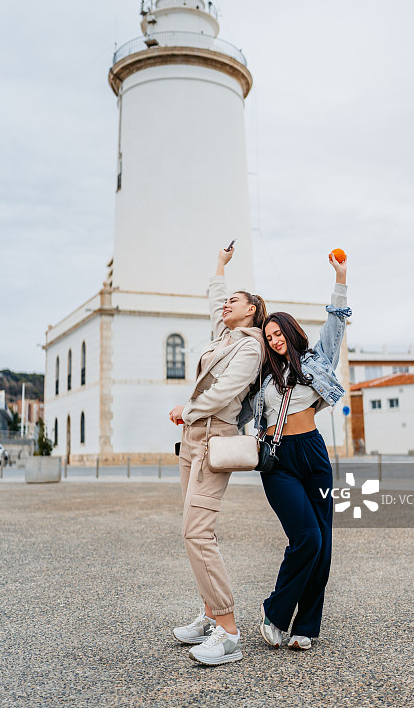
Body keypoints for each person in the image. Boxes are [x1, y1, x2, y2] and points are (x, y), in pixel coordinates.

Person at [169, 246, 266, 666]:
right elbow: (215, 301)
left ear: (252, 311)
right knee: (190, 528)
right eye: (226, 302)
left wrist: (187, 409)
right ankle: (210, 617)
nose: (225, 306)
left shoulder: (251, 346)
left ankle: (228, 631)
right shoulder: (224, 336)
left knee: (196, 530)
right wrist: (220, 268)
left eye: (234, 302)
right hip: (192, 440)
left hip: (214, 437)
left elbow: (227, 391)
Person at [251, 251, 351, 650]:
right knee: (306, 537)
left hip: (313, 453)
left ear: (291, 333)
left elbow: (336, 325)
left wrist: (341, 279)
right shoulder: (261, 373)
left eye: (278, 334)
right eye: (269, 336)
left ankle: (306, 627)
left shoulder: (315, 361)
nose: (274, 340)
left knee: (323, 542)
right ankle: (275, 614)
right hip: (278, 460)